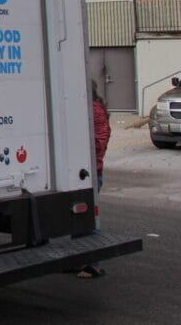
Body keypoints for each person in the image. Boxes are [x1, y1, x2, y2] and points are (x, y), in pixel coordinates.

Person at [78, 81, 111, 279]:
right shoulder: (93, 108)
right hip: (90, 169)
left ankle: (94, 265)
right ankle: (79, 260)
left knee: (89, 220)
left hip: (92, 170)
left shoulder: (94, 111)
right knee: (79, 220)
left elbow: (98, 143)